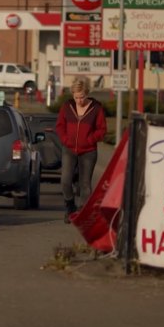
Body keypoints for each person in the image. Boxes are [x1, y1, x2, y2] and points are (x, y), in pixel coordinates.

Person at [55, 76, 107, 223]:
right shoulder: (67, 106)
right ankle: (70, 208)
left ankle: (82, 212)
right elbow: (59, 126)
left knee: (85, 184)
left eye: (82, 97)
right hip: (69, 149)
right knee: (65, 181)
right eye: (76, 97)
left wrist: (90, 139)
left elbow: (102, 130)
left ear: (87, 93)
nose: (79, 100)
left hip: (88, 151)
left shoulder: (96, 108)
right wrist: (66, 140)